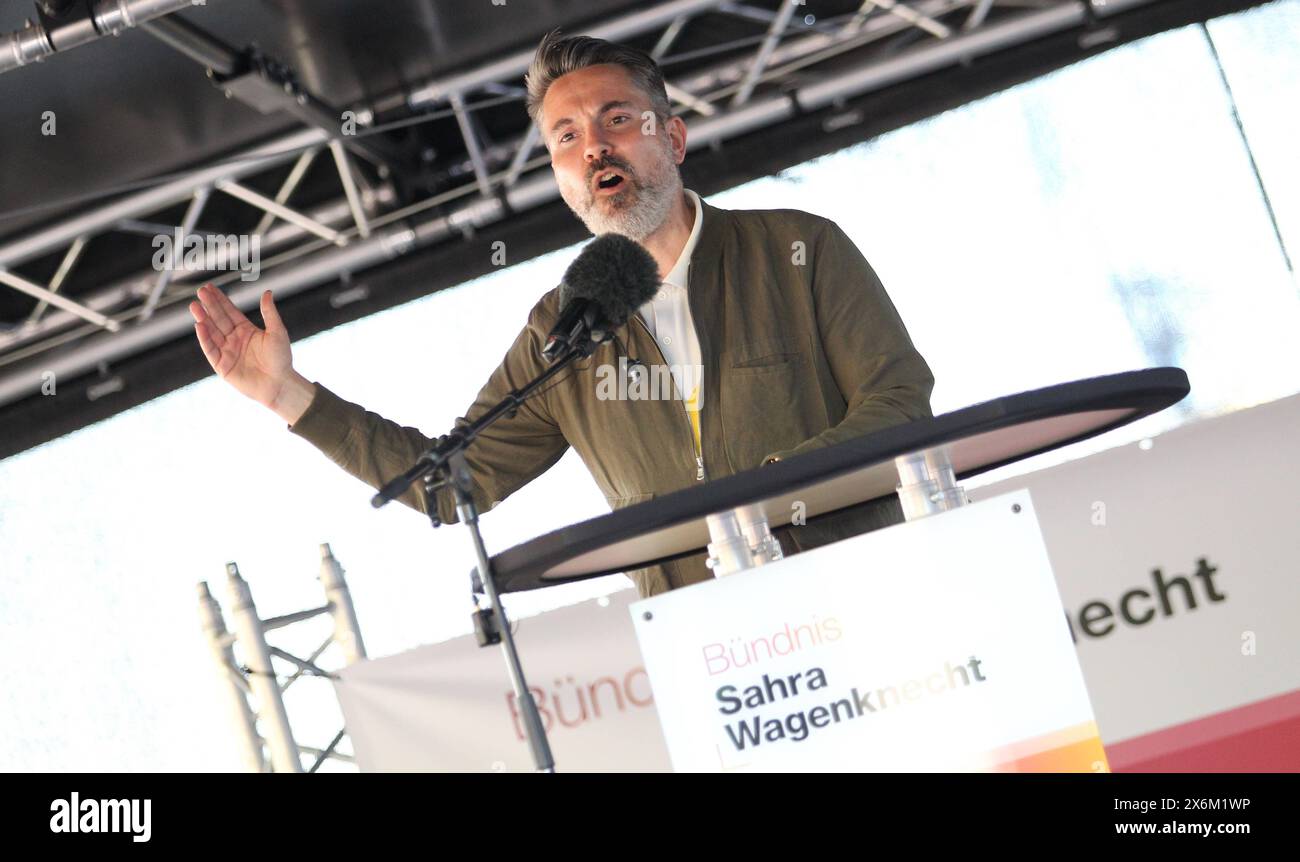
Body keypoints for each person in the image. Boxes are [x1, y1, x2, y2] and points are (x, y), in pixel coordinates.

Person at [189, 31, 935, 599]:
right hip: (716, 660)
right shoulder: (563, 329)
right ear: (556, 174)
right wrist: (288, 397)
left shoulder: (797, 248)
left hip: (868, 594)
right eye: (566, 139)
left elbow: (898, 401)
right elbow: (453, 482)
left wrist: (774, 490)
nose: (594, 149)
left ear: (671, 137)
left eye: (616, 120)